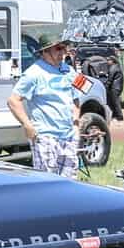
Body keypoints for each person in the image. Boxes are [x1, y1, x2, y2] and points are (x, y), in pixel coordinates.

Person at [8, 30, 82, 178]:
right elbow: (13, 101)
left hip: (68, 136)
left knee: (70, 181)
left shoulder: (69, 71)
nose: (63, 52)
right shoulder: (33, 74)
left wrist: (76, 124)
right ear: (45, 52)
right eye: (58, 48)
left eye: (64, 48)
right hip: (45, 136)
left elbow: (76, 98)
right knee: (46, 181)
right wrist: (28, 125)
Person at [101, 52, 124, 122]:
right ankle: (115, 115)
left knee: (116, 102)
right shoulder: (116, 67)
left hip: (115, 88)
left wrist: (105, 87)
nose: (107, 62)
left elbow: (110, 79)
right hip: (117, 87)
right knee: (113, 102)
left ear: (112, 61)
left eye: (108, 60)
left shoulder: (113, 68)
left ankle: (120, 116)